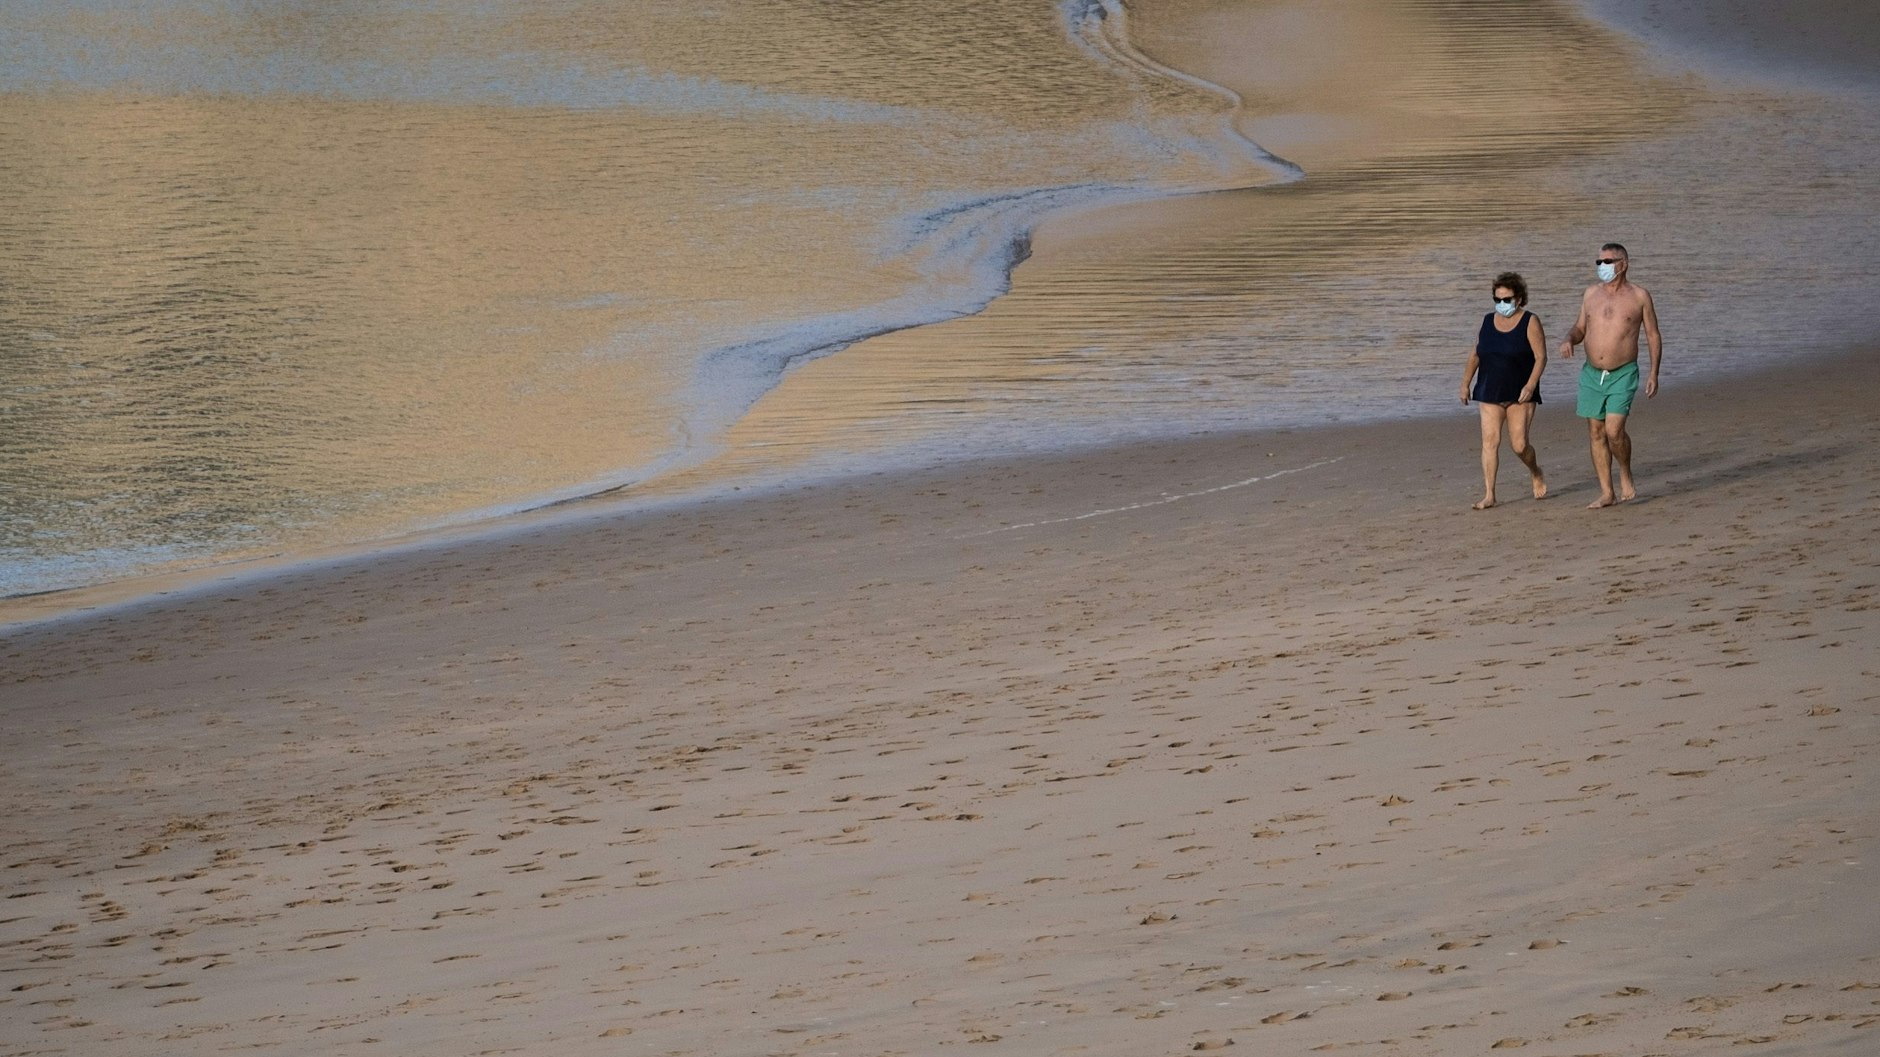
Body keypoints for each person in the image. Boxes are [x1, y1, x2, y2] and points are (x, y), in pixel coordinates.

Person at [1559, 243, 1662, 508]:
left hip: (1623, 373)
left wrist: (1654, 373)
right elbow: (1581, 327)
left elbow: (1652, 335)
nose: (1601, 267)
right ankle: (1607, 492)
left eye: (1607, 261)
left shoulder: (1640, 296)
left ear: (1623, 264)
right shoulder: (1591, 294)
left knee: (1614, 431)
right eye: (1599, 261)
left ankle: (1625, 471)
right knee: (1596, 432)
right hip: (1592, 374)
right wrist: (1570, 338)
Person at [1459, 271, 1547, 510]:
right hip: (1489, 389)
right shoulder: (1487, 321)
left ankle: (1535, 471)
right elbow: (1476, 353)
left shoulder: (1530, 321)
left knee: (1519, 445)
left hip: (1520, 393)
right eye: (1497, 300)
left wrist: (1530, 385)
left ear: (1518, 299)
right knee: (1490, 441)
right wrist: (1465, 383)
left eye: (1506, 299)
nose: (1501, 304)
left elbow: (1540, 358)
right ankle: (1490, 494)